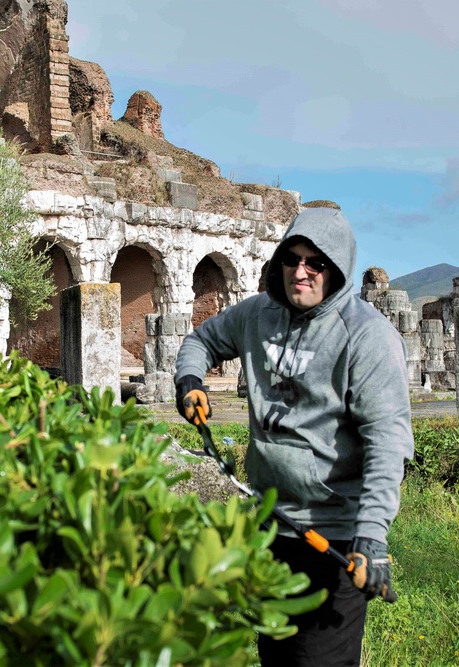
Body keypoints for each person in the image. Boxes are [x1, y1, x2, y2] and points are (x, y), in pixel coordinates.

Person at [173, 207, 414, 667]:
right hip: (269, 526)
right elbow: (200, 340)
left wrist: (372, 538)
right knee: (277, 657)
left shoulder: (367, 337)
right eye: (291, 259)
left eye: (315, 263)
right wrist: (190, 380)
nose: (300, 272)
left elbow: (388, 444)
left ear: (337, 270)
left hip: (334, 536)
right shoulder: (256, 315)